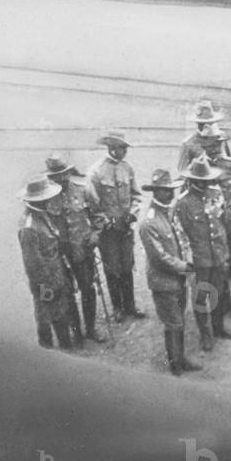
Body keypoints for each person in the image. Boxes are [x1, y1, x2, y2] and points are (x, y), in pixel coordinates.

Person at [138, 169, 202, 376]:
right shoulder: (149, 222)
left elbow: (182, 241)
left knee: (179, 321)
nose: (169, 193)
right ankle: (175, 365)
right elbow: (159, 257)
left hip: (178, 279)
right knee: (173, 323)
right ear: (154, 192)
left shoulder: (169, 212)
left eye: (170, 189)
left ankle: (180, 359)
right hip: (164, 282)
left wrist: (188, 260)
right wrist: (184, 267)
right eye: (163, 190)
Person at [175, 155, 231, 350]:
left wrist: (225, 251)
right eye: (200, 181)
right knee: (201, 297)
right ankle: (206, 334)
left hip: (218, 254)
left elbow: (221, 223)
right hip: (198, 258)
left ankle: (219, 328)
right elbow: (180, 234)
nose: (205, 184)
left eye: (207, 180)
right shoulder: (183, 203)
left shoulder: (216, 193)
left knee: (219, 292)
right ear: (192, 180)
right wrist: (188, 260)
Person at [45, 153, 106, 344]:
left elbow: (99, 216)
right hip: (61, 255)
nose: (61, 178)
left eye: (64, 174)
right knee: (66, 293)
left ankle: (90, 329)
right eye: (56, 176)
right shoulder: (46, 197)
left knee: (88, 290)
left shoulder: (83, 189)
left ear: (69, 172)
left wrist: (95, 235)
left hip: (83, 249)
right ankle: (76, 332)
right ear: (50, 177)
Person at [87, 130, 144, 321]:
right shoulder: (96, 171)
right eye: (122, 148)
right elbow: (92, 205)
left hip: (126, 229)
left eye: (125, 148)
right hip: (108, 232)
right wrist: (104, 222)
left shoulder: (127, 168)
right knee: (112, 269)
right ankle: (117, 307)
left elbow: (136, 196)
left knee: (127, 266)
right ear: (111, 148)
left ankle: (130, 306)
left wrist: (133, 214)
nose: (124, 152)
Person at [17, 175, 75, 350]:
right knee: (45, 317)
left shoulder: (42, 214)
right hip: (44, 282)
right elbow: (33, 265)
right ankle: (47, 351)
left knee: (60, 314)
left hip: (56, 274)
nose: (50, 200)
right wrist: (46, 286)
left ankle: (66, 347)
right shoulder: (29, 227)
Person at [200, 124, 231, 320]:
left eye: (217, 144)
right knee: (218, 264)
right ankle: (224, 302)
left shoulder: (230, 165)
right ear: (203, 145)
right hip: (211, 226)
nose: (214, 148)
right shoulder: (197, 167)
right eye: (210, 145)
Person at [177, 98, 230, 173]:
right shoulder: (188, 144)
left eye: (211, 123)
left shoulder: (220, 138)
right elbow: (182, 173)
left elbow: (230, 163)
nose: (208, 126)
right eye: (202, 123)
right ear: (197, 124)